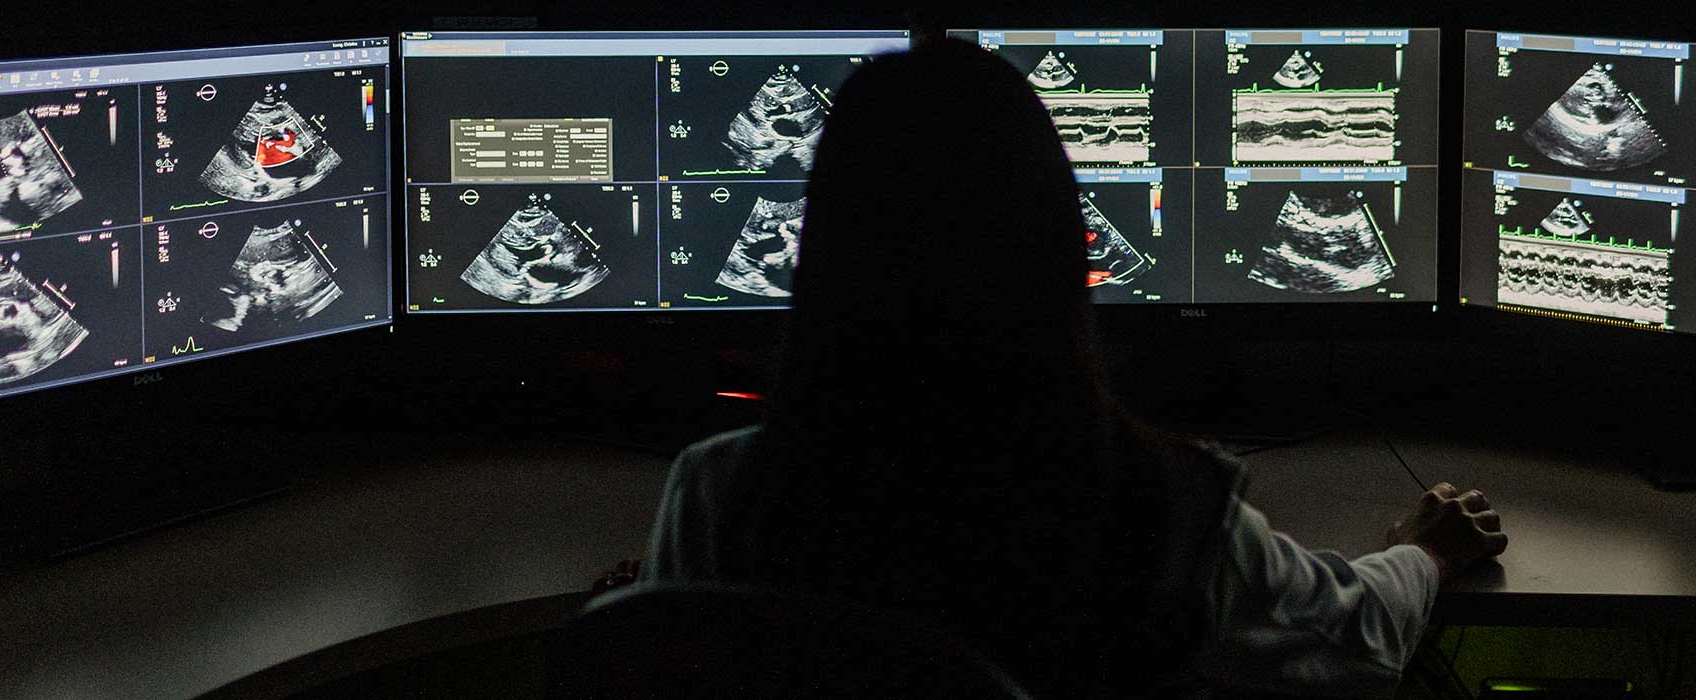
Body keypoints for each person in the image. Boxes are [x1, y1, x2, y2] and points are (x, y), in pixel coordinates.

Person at [641, 39, 1506, 698]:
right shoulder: (1167, 507)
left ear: (824, 253)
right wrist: (1421, 555)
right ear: (1058, 254)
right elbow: (1355, 644)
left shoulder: (714, 495)